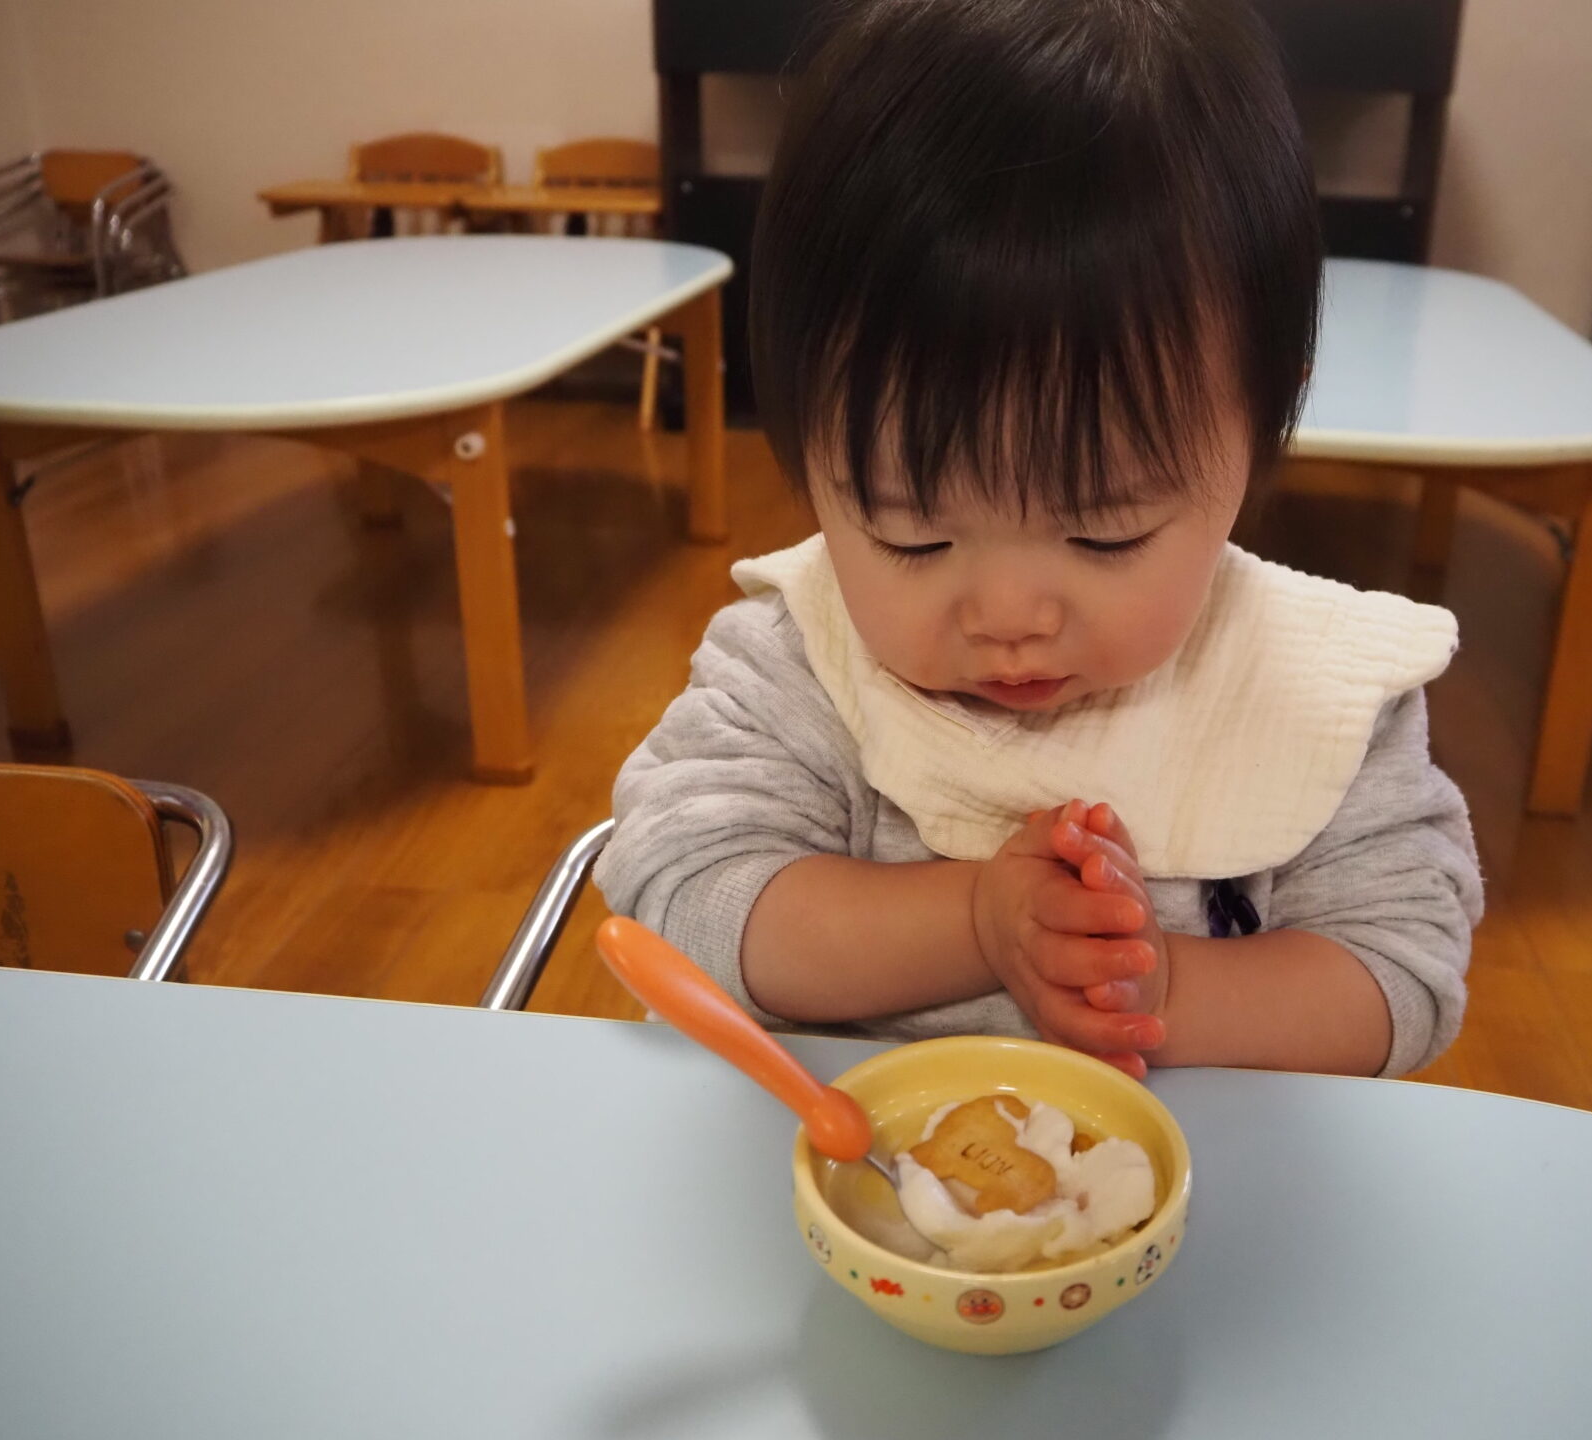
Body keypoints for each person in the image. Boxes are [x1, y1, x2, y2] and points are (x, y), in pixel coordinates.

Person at [597, 0, 1481, 1079]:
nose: (1009, 617)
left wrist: (1164, 988)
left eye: (1106, 534)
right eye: (914, 537)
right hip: (847, 1156)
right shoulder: (801, 665)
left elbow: (1402, 972)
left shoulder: (1311, 689)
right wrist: (977, 922)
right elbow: (678, 892)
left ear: (1261, 428)